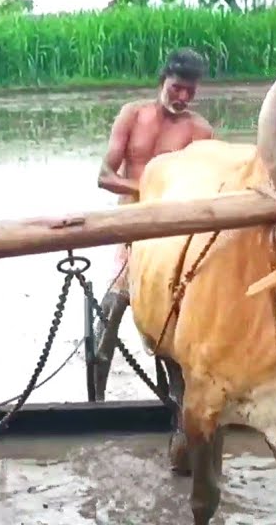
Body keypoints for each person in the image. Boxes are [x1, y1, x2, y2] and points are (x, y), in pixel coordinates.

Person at [90, 47, 215, 399]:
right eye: (177, 88)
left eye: (190, 91)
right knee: (112, 309)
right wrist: (151, 188)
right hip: (130, 225)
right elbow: (105, 175)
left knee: (172, 320)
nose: (182, 97)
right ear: (163, 81)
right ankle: (96, 398)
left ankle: (179, 403)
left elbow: (205, 189)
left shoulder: (200, 131)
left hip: (172, 233)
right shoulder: (133, 115)